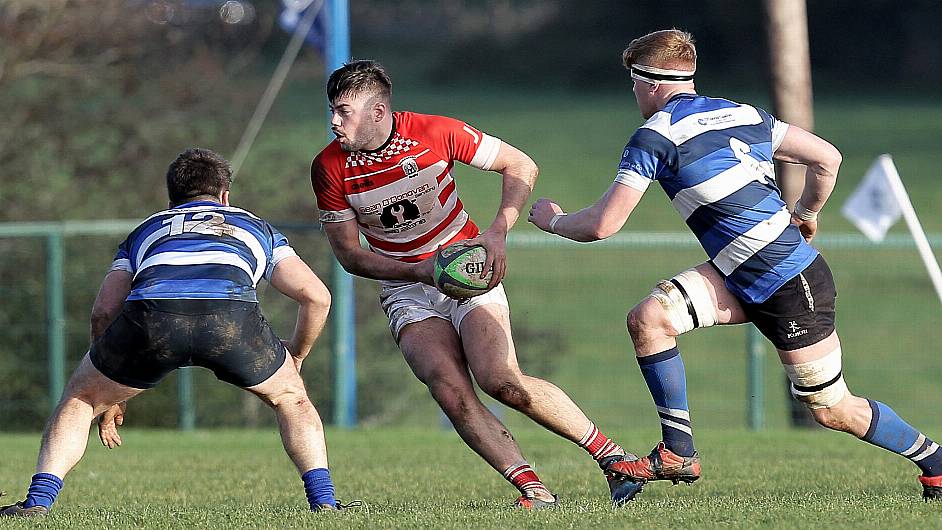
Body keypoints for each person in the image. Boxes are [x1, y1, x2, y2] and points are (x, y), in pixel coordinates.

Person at [529, 29, 942, 502]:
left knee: (831, 409)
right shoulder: (744, 113)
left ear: (650, 83)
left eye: (634, 84)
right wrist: (805, 213)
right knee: (650, 319)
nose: (635, 94)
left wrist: (554, 220)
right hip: (740, 274)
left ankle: (936, 460)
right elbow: (828, 157)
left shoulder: (655, 136)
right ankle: (679, 451)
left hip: (791, 284)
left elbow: (604, 224)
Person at [311, 60, 642, 508]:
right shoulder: (329, 168)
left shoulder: (433, 132)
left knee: (501, 380)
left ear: (378, 111)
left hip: (467, 271)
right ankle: (535, 492)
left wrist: (497, 232)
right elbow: (350, 256)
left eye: (344, 110)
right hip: (406, 287)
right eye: (332, 109)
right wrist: (418, 271)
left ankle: (614, 459)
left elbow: (520, 165)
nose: (334, 120)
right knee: (448, 388)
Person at [1, 148, 346, 517]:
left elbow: (103, 310)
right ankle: (323, 502)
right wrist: (296, 356)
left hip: (153, 320)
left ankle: (38, 502)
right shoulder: (255, 226)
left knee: (80, 399)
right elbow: (317, 297)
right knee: (292, 400)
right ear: (225, 196)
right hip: (230, 319)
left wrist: (111, 385)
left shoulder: (147, 229)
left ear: (171, 199)